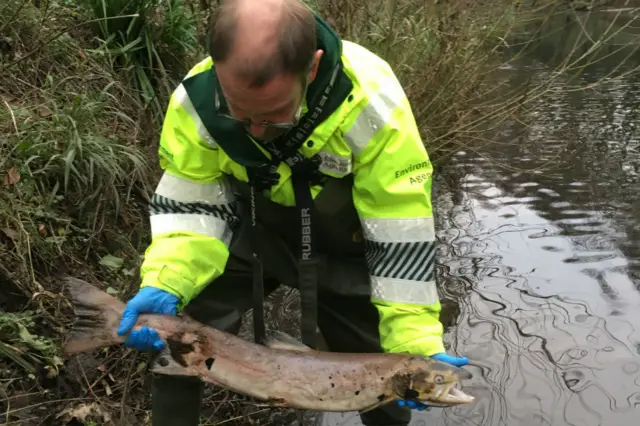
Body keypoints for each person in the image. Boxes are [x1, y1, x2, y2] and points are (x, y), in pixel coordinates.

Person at [115, 0, 469, 425]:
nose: (258, 131)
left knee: (390, 376)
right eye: (240, 115)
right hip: (250, 232)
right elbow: (194, 207)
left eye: (275, 115)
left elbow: (398, 231)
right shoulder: (195, 102)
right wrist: (167, 280)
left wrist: (414, 338)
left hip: (347, 247)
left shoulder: (374, 104)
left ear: (313, 68)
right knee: (179, 337)